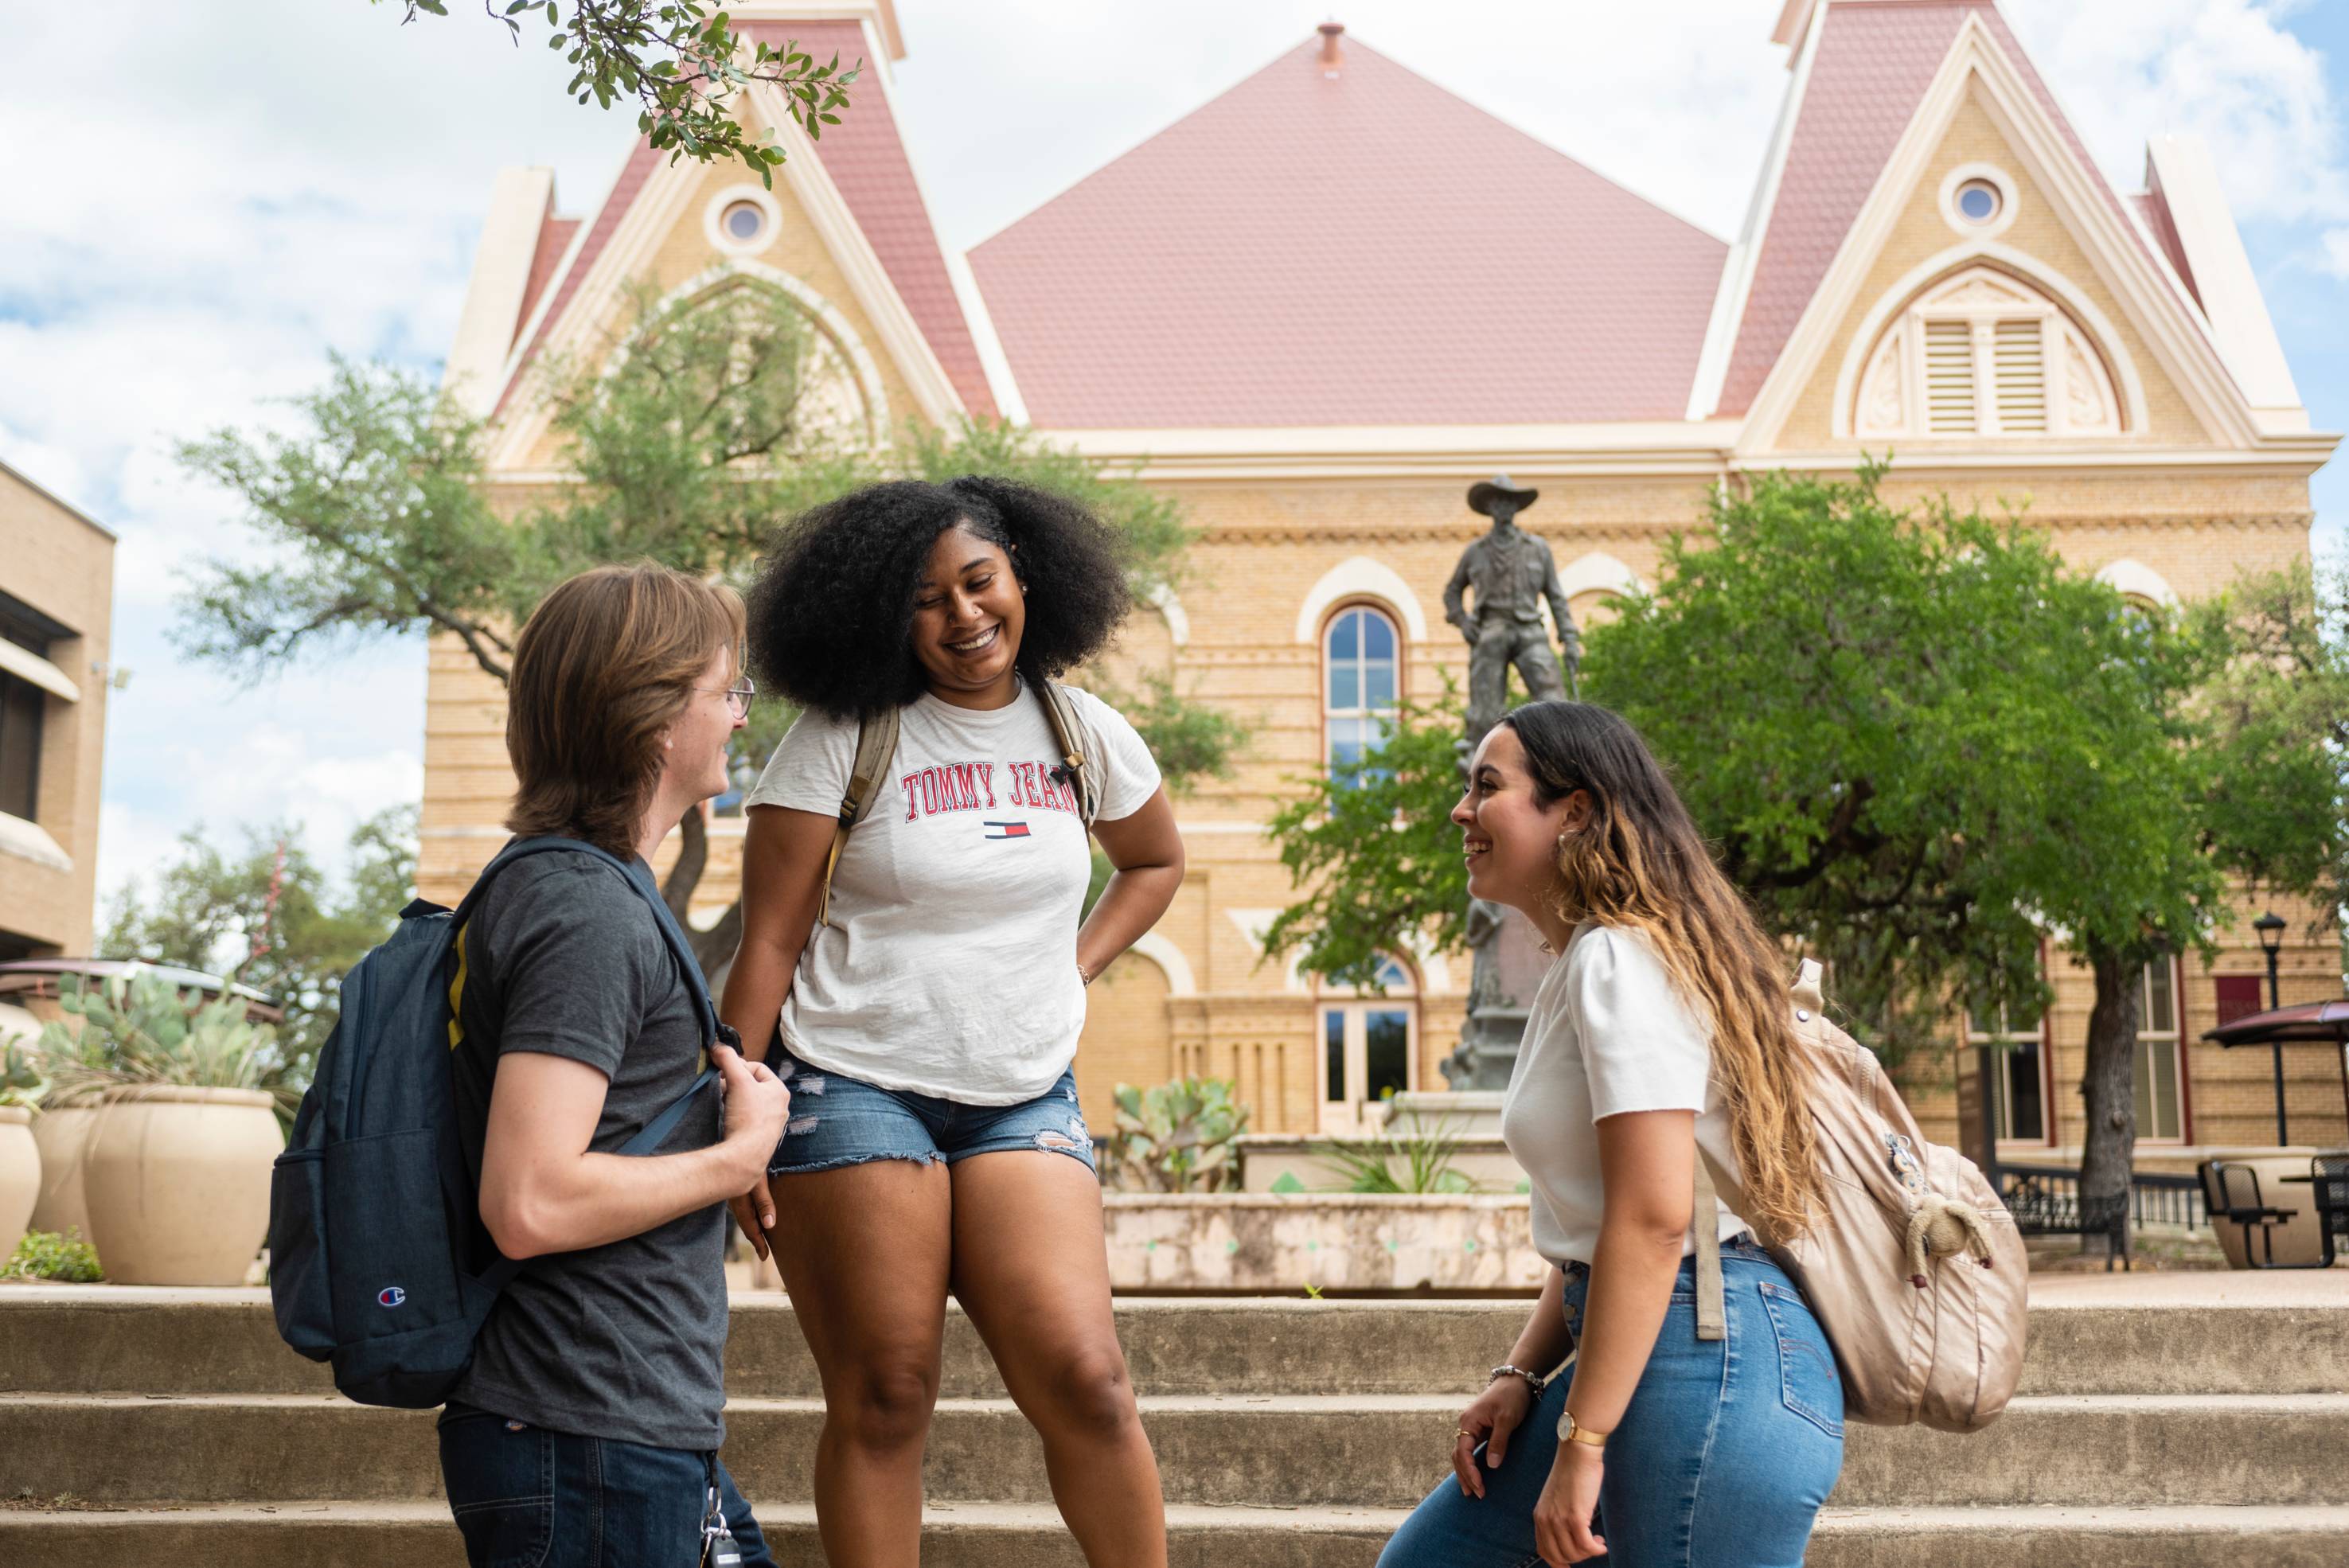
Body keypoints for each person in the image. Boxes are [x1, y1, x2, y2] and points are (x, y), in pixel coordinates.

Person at [723, 476, 1184, 1568]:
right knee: (885, 1390)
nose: (963, 617)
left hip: (1022, 1089)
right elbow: (771, 941)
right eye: (925, 599)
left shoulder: (1084, 730)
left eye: (979, 582)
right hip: (851, 1083)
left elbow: (1155, 860)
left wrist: (1069, 967)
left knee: (1087, 1377)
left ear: (1023, 574)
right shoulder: (843, 736)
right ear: (886, 616)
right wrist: (735, 1107)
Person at [1381, 700, 1844, 1568]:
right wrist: (1521, 1373)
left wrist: (1581, 1439)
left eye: (1487, 786)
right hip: (1657, 1340)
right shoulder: (1584, 962)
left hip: (1707, 1357)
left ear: (1577, 811)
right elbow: (1601, 1218)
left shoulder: (1618, 959)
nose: (1460, 810)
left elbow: (1654, 1217)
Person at [441, 563, 794, 1568]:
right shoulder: (584, 912)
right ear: (652, 717)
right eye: (726, 691)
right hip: (586, 1435)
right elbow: (532, 1199)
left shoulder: (590, 889)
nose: (739, 716)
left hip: (621, 1424)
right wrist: (736, 1156)